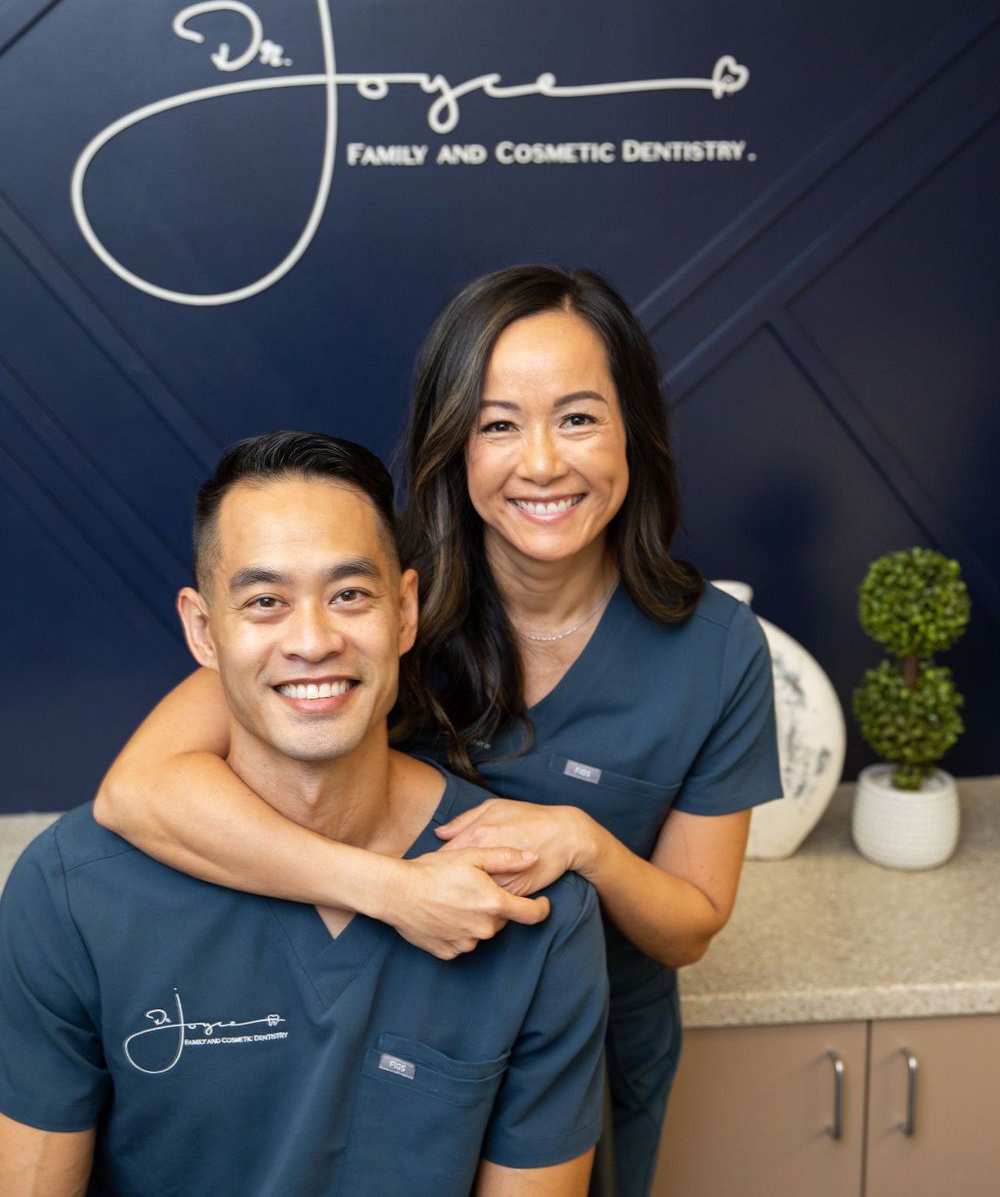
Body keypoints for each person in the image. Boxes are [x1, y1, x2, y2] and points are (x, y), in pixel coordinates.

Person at [92, 265, 784, 1197]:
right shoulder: (374, 604)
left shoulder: (718, 648)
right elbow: (139, 791)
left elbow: (690, 927)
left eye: (578, 416)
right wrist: (390, 889)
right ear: (454, 443)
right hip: (370, 1023)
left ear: (635, 429)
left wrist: (587, 846)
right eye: (499, 423)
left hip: (584, 1058)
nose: (542, 462)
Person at [0, 433, 608, 1197]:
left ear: (405, 612)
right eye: (265, 602)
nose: (313, 640)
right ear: (204, 630)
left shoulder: (531, 901)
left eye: (350, 594)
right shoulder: (71, 895)